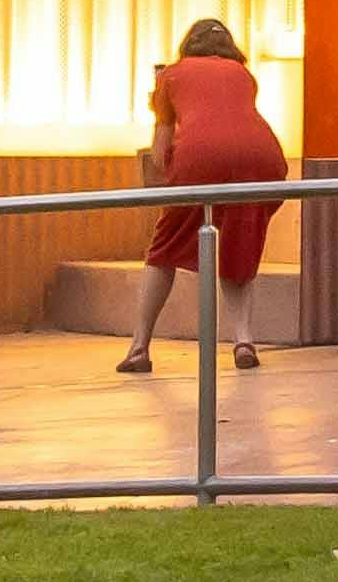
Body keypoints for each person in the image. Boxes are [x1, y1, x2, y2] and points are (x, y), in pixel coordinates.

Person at [121, 21, 285, 376]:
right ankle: (243, 340)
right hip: (262, 158)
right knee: (239, 247)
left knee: (163, 249)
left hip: (201, 158)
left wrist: (165, 184)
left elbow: (162, 147)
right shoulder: (243, 74)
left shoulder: (172, 75)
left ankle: (139, 347)